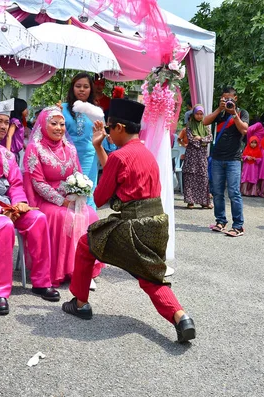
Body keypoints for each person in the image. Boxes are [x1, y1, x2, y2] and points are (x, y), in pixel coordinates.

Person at [61, 98, 196, 344]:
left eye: (110, 128)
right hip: (156, 223)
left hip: (132, 225)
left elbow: (101, 196)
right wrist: (100, 148)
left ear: (120, 128)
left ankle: (80, 303)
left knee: (85, 244)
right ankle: (181, 317)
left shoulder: (120, 156)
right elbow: (120, 175)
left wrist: (99, 154)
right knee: (149, 275)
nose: (109, 134)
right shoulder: (146, 152)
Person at [0, 101, 60, 315]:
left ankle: (41, 281)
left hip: (8, 206)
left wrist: (20, 204)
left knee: (38, 219)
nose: (3, 126)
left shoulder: (8, 155)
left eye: (6, 122)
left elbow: (17, 185)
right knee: (3, 226)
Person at [22, 106, 102, 289]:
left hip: (69, 197)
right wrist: (61, 200)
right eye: (54, 123)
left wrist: (77, 194)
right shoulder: (35, 149)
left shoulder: (70, 149)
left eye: (62, 124)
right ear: (43, 124)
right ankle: (63, 270)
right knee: (63, 216)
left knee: (90, 214)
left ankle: (83, 270)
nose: (59, 128)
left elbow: (77, 175)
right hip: (44, 200)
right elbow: (37, 183)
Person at [204, 87, 249, 237]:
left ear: (235, 99)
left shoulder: (242, 113)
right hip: (217, 158)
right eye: (224, 98)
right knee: (217, 192)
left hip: (233, 159)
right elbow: (205, 121)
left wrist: (234, 113)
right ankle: (220, 221)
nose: (227, 101)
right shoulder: (220, 113)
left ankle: (238, 226)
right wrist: (219, 108)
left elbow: (244, 130)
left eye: (229, 98)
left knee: (234, 193)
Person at [62, 73, 99, 208]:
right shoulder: (63, 108)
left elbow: (101, 134)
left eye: (85, 86)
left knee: (87, 190)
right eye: (78, 86)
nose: (82, 89)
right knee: (67, 190)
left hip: (88, 156)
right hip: (66, 155)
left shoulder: (96, 111)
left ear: (91, 89)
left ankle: (88, 224)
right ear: (72, 88)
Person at [180, 104, 213, 208]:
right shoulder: (189, 125)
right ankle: (190, 201)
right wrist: (203, 140)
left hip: (202, 156)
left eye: (201, 114)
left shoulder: (206, 125)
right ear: (193, 114)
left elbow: (210, 138)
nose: (199, 116)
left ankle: (204, 202)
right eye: (197, 114)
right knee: (190, 176)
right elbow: (191, 139)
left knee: (203, 177)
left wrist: (200, 139)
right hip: (191, 155)